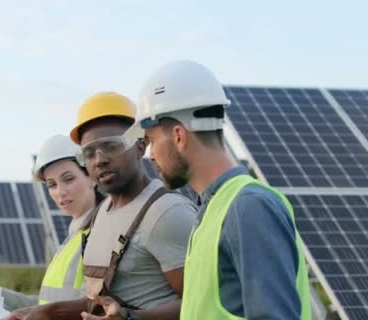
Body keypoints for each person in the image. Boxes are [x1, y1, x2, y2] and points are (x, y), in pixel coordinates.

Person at [86, 60, 312, 320]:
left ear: (179, 136)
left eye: (152, 141)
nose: (151, 155)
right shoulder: (214, 209)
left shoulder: (249, 207)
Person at [7, 92, 197, 320]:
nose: (99, 160)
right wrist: (44, 312)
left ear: (140, 145)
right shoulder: (100, 216)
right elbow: (97, 302)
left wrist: (130, 318)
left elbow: (202, 305)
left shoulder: (167, 213)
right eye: (88, 153)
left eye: (111, 146)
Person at [0, 134, 104, 310]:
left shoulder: (103, 235)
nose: (60, 192)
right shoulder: (72, 240)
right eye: (51, 185)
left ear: (91, 177)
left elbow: (90, 310)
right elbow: (49, 305)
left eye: (69, 179)